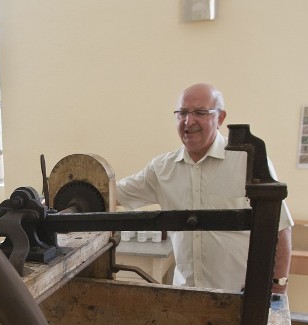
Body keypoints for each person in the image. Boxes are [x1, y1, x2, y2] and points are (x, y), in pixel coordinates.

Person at [116, 83, 293, 293]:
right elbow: (113, 193)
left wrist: (277, 286)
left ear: (220, 118)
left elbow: (280, 227)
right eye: (182, 113)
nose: (189, 121)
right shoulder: (162, 169)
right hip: (186, 296)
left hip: (241, 297)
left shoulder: (246, 161)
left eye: (200, 113)